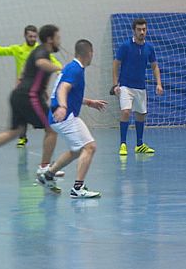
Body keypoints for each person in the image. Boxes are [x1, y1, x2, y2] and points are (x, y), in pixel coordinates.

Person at [0, 25, 64, 176]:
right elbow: (40, 64)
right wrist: (60, 69)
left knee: (15, 131)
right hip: (29, 96)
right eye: (58, 38)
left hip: (18, 95)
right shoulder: (41, 52)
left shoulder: (42, 52)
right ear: (50, 39)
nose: (60, 41)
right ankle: (45, 168)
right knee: (52, 128)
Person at [37, 39, 106, 199]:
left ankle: (48, 175)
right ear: (90, 54)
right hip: (64, 116)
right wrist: (63, 106)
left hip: (57, 118)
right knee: (90, 147)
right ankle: (77, 188)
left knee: (76, 150)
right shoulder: (75, 70)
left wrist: (89, 102)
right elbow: (63, 89)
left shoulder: (71, 68)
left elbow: (70, 92)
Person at [112, 18, 163, 155]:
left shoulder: (149, 48)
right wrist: (115, 84)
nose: (142, 32)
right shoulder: (125, 46)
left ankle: (139, 145)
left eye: (144, 29)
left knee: (141, 115)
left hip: (141, 87)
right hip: (126, 86)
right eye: (139, 29)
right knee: (126, 111)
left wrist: (158, 83)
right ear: (134, 30)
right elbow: (116, 64)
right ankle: (123, 144)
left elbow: (154, 66)